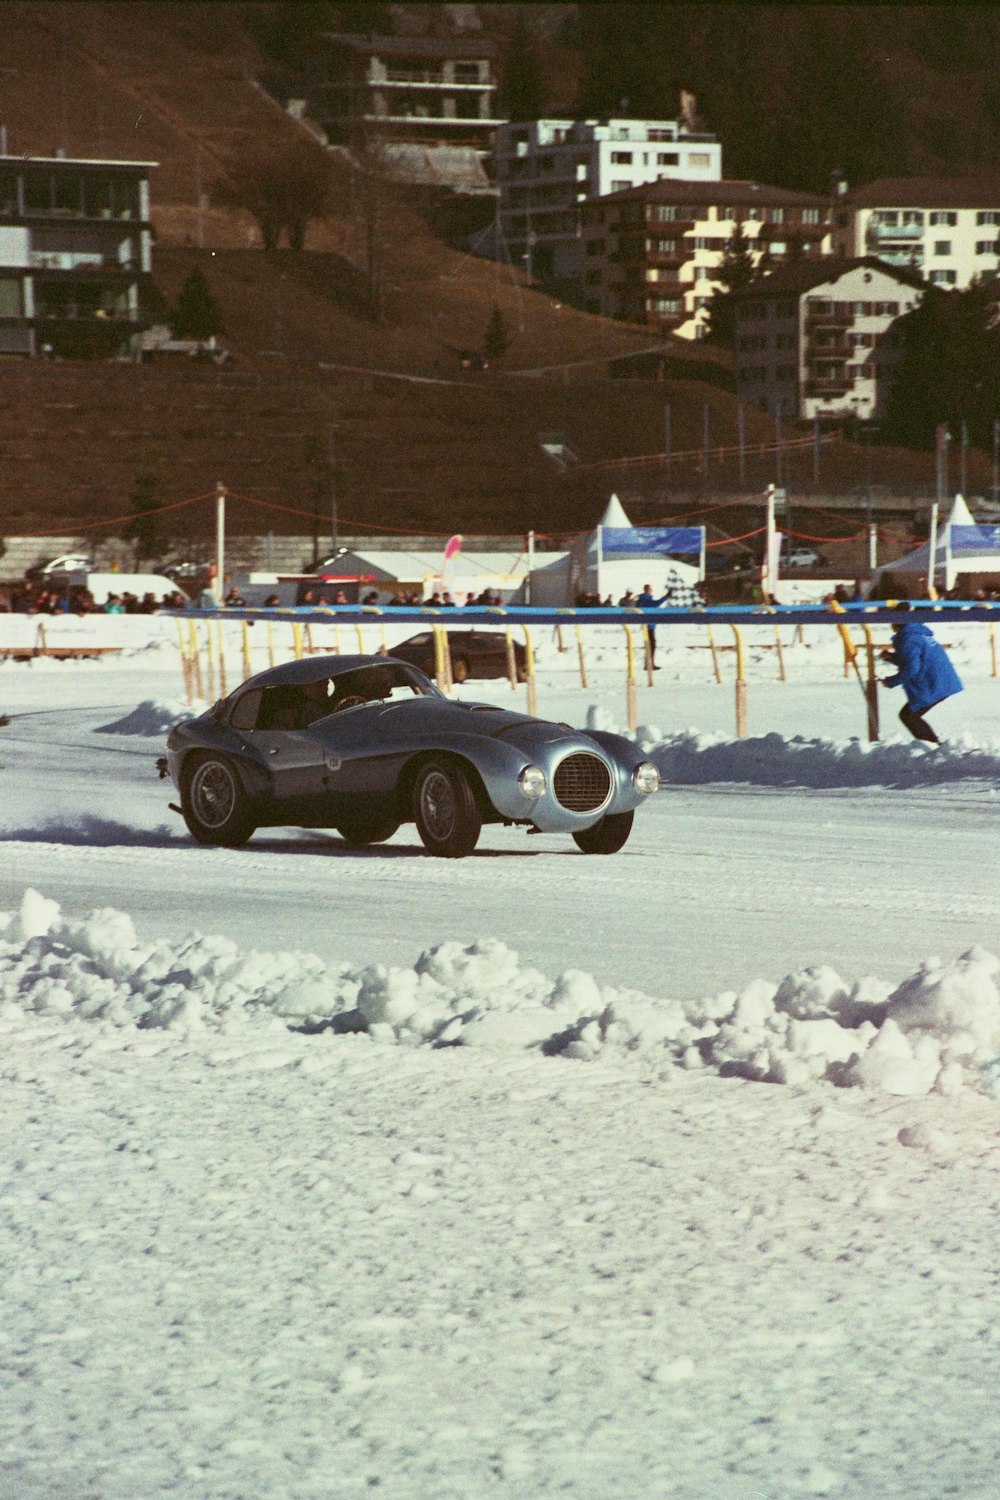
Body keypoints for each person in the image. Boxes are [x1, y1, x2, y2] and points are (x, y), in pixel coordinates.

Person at [880, 603, 963, 743]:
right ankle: (934, 745)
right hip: (940, 681)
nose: (890, 625)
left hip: (934, 683)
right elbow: (913, 661)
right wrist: (891, 657)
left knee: (908, 716)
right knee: (910, 715)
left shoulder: (909, 639)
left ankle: (934, 747)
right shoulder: (916, 633)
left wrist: (891, 681)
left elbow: (912, 668)